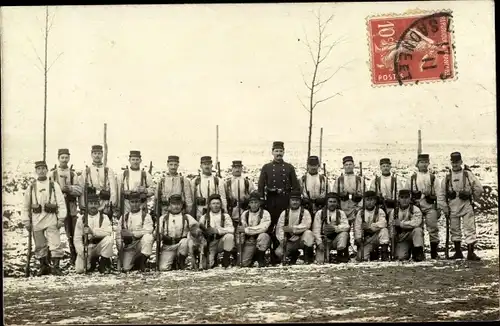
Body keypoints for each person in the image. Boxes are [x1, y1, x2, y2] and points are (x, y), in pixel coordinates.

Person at [257, 141, 300, 265]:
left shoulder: (289, 167)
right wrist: (262, 201)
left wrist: (293, 201)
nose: (278, 154)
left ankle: (287, 253)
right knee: (271, 228)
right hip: (271, 202)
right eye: (276, 151)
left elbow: (295, 187)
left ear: (284, 152)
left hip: (285, 201)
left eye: (281, 151)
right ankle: (272, 255)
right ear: (272, 152)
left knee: (284, 227)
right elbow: (261, 186)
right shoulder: (266, 167)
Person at [22, 161, 67, 276]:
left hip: (51, 217)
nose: (41, 171)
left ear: (47, 170)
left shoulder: (53, 185)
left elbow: (61, 202)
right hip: (36, 219)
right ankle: (43, 266)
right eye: (39, 169)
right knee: (39, 244)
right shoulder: (32, 186)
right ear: (36, 171)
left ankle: (56, 267)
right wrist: (26, 220)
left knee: (55, 242)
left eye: (43, 168)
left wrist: (61, 218)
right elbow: (25, 205)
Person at [437, 152, 483, 261]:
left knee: (470, 228)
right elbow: (441, 194)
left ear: (461, 162)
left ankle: (471, 252)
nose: (455, 164)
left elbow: (478, 188)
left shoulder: (467, 174)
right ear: (451, 163)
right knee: (455, 229)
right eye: (453, 162)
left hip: (466, 205)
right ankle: (458, 252)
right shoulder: (447, 177)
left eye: (457, 162)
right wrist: (444, 208)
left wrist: (472, 197)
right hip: (452, 206)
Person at [49, 148, 83, 265]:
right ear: (58, 158)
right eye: (62, 157)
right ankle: (53, 259)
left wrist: (70, 189)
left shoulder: (73, 174)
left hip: (71, 207)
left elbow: (79, 190)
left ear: (69, 158)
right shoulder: (53, 173)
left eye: (66, 157)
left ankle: (74, 257)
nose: (64, 160)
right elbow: (48, 190)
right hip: (56, 209)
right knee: (53, 232)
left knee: (72, 233)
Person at [409, 154, 441, 259]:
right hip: (417, 207)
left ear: (428, 163)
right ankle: (419, 252)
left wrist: (439, 207)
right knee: (418, 228)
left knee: (433, 228)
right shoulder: (413, 178)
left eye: (425, 162)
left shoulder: (432, 178)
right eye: (421, 162)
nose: (423, 164)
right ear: (417, 164)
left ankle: (434, 252)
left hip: (430, 206)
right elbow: (406, 193)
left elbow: (439, 193)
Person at [225, 160, 256, 265]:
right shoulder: (227, 183)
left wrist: (247, 202)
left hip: (244, 212)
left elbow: (254, 196)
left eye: (239, 167)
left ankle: (245, 256)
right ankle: (233, 256)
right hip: (232, 212)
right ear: (232, 169)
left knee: (244, 235)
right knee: (233, 235)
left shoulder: (247, 182)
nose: (237, 169)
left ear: (242, 168)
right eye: (235, 167)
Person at [156, 194, 199, 271]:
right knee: (163, 268)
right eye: (174, 204)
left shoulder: (187, 217)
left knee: (185, 241)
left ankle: (181, 262)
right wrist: (159, 235)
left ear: (182, 205)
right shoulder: (163, 218)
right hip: (168, 246)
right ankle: (173, 261)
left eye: (178, 204)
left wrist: (193, 234)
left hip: (181, 244)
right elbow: (157, 233)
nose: (176, 207)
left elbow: (196, 228)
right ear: (169, 205)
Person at [73, 193, 114, 273]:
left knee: (109, 240)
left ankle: (103, 262)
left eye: (95, 203)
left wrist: (93, 232)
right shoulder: (81, 219)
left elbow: (108, 232)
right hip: (87, 247)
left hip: (99, 246)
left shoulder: (104, 217)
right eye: (91, 204)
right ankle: (92, 261)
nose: (93, 206)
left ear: (98, 204)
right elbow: (77, 239)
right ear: (87, 205)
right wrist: (82, 253)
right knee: (80, 270)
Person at [115, 192, 154, 272]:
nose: (135, 204)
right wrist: (120, 247)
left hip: (140, 244)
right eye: (132, 202)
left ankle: (142, 261)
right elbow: (118, 234)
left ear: (140, 202)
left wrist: (132, 234)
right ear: (129, 203)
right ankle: (136, 262)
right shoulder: (124, 217)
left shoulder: (145, 216)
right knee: (125, 268)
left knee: (148, 237)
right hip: (129, 245)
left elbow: (148, 230)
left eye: (137, 202)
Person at [275, 190, 314, 265]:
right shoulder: (285, 213)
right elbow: (280, 227)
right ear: (289, 201)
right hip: (289, 240)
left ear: (300, 201)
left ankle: (307, 257)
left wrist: (292, 229)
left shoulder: (305, 212)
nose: (295, 202)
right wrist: (282, 240)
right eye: (293, 200)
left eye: (297, 200)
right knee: (279, 253)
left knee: (308, 233)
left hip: (301, 239)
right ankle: (294, 254)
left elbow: (306, 225)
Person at [80, 145, 118, 219]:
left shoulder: (108, 170)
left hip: (105, 203)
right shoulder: (86, 171)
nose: (97, 156)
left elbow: (113, 189)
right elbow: (82, 188)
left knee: (105, 225)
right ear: (91, 154)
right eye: (95, 153)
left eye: (99, 153)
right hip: (91, 204)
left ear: (102, 154)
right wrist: (83, 205)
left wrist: (111, 204)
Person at [236, 191, 272, 267]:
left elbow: (263, 228)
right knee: (243, 263)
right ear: (249, 204)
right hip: (250, 241)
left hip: (260, 240)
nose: (254, 205)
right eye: (251, 202)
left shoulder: (265, 213)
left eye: (256, 202)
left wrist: (246, 230)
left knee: (264, 236)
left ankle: (260, 258)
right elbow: (242, 228)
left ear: (259, 203)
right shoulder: (245, 214)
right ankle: (252, 257)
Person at [312, 192, 350, 264]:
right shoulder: (320, 213)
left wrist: (335, 228)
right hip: (324, 240)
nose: (332, 204)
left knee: (344, 234)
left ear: (337, 203)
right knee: (321, 261)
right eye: (330, 202)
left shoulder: (340, 213)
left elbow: (347, 226)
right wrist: (319, 243)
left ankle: (340, 254)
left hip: (335, 238)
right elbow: (316, 230)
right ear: (326, 202)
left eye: (334, 202)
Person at [199, 194, 235, 269]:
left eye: (218, 203)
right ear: (209, 205)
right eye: (213, 203)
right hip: (210, 243)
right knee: (207, 266)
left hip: (220, 242)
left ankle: (226, 259)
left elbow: (231, 229)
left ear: (221, 205)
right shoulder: (204, 217)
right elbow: (199, 231)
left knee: (229, 236)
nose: (216, 205)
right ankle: (213, 258)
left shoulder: (225, 216)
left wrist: (217, 230)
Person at [388, 189, 425, 261]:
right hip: (401, 237)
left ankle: (418, 252)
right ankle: (407, 251)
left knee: (418, 230)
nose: (404, 200)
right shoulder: (394, 212)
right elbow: (391, 226)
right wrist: (393, 237)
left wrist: (401, 224)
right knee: (400, 257)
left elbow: (416, 223)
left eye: (406, 197)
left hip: (412, 234)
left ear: (409, 198)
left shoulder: (415, 209)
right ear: (398, 199)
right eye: (402, 197)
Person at [354, 190, 390, 261]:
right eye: (367, 200)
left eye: (372, 200)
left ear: (375, 201)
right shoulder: (361, 213)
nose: (369, 202)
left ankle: (384, 253)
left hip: (377, 236)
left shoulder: (380, 211)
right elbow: (357, 227)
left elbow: (383, 223)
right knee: (362, 257)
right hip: (367, 239)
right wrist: (359, 238)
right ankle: (371, 252)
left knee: (384, 230)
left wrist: (370, 226)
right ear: (364, 201)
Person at [117, 150, 155, 215]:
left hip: (141, 204)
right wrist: (124, 192)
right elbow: (118, 190)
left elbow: (153, 190)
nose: (135, 162)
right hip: (127, 204)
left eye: (137, 159)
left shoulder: (145, 174)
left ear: (140, 160)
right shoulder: (123, 174)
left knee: (141, 222)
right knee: (127, 222)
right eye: (133, 159)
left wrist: (145, 190)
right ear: (129, 160)